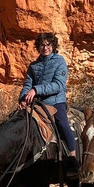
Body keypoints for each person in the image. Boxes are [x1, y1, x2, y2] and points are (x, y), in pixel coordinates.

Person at [18, 32, 77, 170]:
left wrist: (36, 90)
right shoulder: (34, 65)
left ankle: (73, 159)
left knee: (62, 123)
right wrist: (22, 99)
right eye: (42, 45)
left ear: (53, 46)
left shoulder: (59, 61)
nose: (45, 48)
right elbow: (28, 84)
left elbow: (59, 85)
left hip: (55, 101)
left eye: (48, 45)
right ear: (38, 47)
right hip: (38, 103)